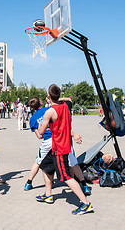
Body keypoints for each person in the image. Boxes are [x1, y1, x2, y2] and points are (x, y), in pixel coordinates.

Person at [38, 84, 93, 215]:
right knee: (45, 166)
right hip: (62, 146)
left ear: (48, 97)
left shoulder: (49, 111)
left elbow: (40, 133)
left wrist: (42, 126)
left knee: (66, 177)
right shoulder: (65, 107)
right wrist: (56, 97)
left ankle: (85, 203)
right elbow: (68, 100)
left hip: (59, 149)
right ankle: (48, 194)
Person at [24, 97, 91, 195]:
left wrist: (43, 129)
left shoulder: (33, 119)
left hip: (47, 141)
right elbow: (62, 125)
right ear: (41, 103)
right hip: (59, 139)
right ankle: (84, 186)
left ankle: (28, 183)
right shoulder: (49, 110)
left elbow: (39, 136)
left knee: (38, 162)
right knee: (73, 163)